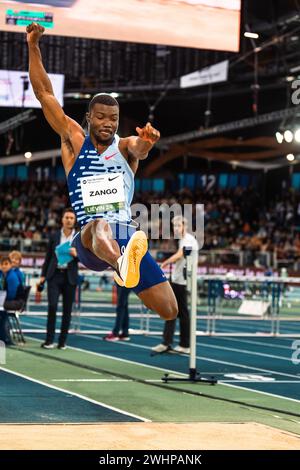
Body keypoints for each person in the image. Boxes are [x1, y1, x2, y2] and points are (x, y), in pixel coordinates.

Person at [26, 22, 178, 321]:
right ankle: (122, 265)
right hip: (88, 239)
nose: (108, 123)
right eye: (101, 117)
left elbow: (139, 148)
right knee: (98, 225)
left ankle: (127, 266)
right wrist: (33, 45)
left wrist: (147, 143)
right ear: (89, 118)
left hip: (124, 235)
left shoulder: (124, 148)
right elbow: (44, 93)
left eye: (114, 118)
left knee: (169, 310)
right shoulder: (73, 139)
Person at [151, 216, 199, 354]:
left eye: (178, 226)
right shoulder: (183, 240)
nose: (176, 229)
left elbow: (180, 255)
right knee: (173, 311)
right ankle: (169, 343)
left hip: (182, 281)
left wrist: (165, 263)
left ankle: (182, 344)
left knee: (180, 312)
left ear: (185, 226)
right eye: (174, 226)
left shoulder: (189, 240)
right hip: (177, 279)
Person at [38, 208, 79, 349]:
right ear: (62, 219)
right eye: (66, 217)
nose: (69, 220)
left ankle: (62, 342)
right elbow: (48, 257)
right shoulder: (54, 236)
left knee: (67, 310)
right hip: (54, 276)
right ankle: (49, 340)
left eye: (71, 218)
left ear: (75, 220)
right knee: (52, 306)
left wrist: (77, 254)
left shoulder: (78, 238)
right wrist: (43, 276)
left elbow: (86, 258)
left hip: (70, 278)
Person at [0, 256, 22, 345]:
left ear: (10, 265)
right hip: (5, 300)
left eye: (6, 264)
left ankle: (4, 337)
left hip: (15, 302)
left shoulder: (12, 276)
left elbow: (11, 295)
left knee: (1, 310)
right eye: (2, 264)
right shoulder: (2, 275)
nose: (4, 266)